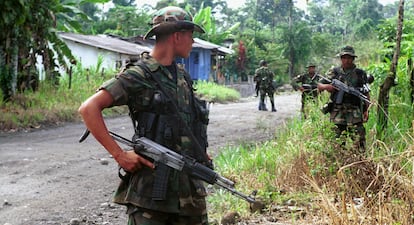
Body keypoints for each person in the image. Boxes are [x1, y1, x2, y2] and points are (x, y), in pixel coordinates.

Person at [78, 6, 210, 225]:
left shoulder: (182, 76)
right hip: (151, 194)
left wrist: (200, 152)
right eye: (190, 36)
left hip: (189, 195)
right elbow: (88, 108)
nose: (193, 42)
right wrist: (119, 155)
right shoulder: (139, 74)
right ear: (176, 36)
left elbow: (188, 121)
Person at [317, 45, 371, 151]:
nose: (346, 60)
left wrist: (366, 110)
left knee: (359, 142)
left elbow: (366, 93)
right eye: (344, 57)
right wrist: (327, 87)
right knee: (336, 144)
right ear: (341, 58)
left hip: (355, 112)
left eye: (349, 58)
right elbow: (319, 85)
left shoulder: (360, 73)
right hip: (337, 112)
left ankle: (359, 164)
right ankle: (338, 164)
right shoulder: (335, 72)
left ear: (353, 58)